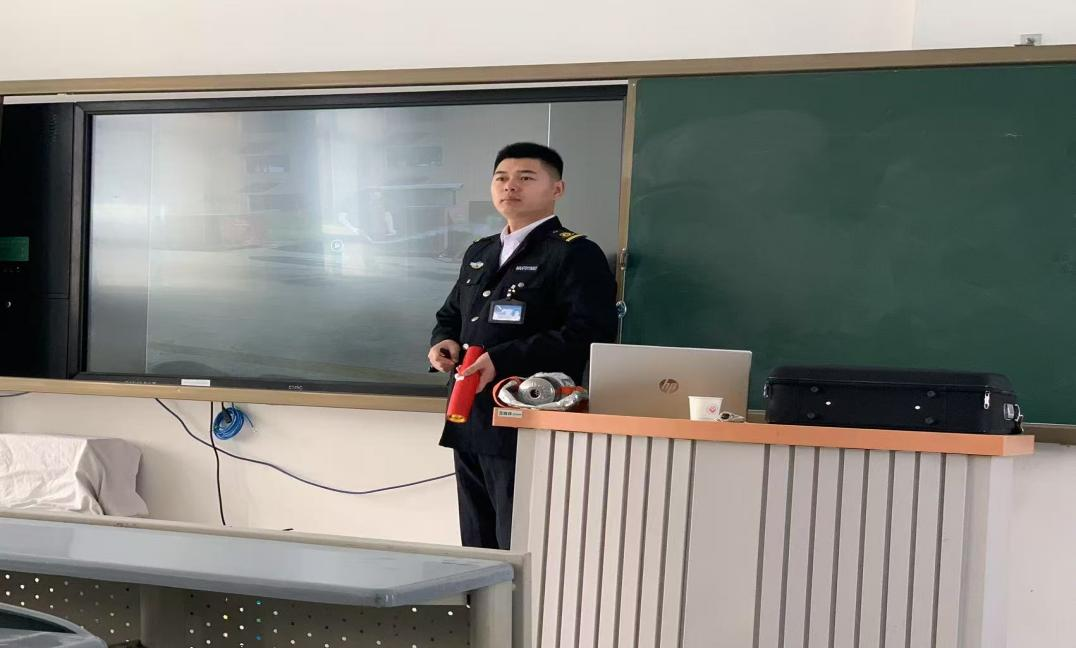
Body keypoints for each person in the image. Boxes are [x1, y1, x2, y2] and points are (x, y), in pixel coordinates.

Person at [428, 142, 618, 550]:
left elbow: (589, 332)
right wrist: (442, 341)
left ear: (557, 189)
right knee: (477, 546)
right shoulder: (480, 251)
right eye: (501, 177)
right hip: (469, 415)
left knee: (519, 544)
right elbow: (452, 314)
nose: (510, 186)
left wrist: (500, 360)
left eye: (525, 178)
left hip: (528, 416)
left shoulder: (574, 253)